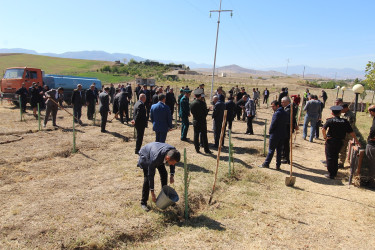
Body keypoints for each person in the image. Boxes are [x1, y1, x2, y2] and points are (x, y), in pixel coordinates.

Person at [137, 142, 180, 211]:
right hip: (146, 155)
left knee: (164, 174)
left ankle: (166, 196)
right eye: (173, 163)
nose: (173, 164)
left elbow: (172, 163)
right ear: (167, 158)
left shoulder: (173, 152)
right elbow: (150, 175)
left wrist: (172, 175)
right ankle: (143, 202)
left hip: (158, 152)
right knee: (147, 179)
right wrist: (152, 192)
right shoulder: (155, 159)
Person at [322, 106, 360, 179]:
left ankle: (331, 174)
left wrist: (325, 137)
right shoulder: (345, 121)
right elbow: (351, 132)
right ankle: (335, 172)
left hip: (331, 141)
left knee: (330, 157)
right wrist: (357, 141)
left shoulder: (330, 120)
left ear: (332, 113)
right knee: (336, 156)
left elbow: (323, 129)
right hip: (340, 141)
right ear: (340, 113)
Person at [259, 101, 288, 170]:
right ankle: (278, 165)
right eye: (271, 106)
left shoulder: (277, 114)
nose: (272, 108)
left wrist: (270, 131)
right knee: (279, 151)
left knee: (271, 150)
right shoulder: (285, 113)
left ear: (277, 106)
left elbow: (273, 124)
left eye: (273, 106)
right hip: (282, 135)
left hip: (275, 135)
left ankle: (266, 163)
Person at [190, 88, 211, 154]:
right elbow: (204, 114)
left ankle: (197, 149)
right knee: (204, 136)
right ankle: (206, 149)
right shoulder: (203, 103)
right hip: (202, 121)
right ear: (200, 96)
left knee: (196, 135)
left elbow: (192, 112)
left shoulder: (192, 103)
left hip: (195, 121)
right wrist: (208, 110)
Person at [338, 103, 356, 168]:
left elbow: (349, 127)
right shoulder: (346, 114)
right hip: (344, 134)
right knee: (341, 148)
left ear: (345, 108)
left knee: (343, 148)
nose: (341, 110)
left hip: (346, 135)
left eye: (342, 109)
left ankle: (341, 163)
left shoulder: (350, 115)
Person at [281, 96, 297, 164]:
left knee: (285, 144)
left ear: (287, 102)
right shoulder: (290, 107)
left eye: (283, 102)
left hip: (286, 129)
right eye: (281, 102)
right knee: (285, 144)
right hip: (288, 128)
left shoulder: (288, 109)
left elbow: (288, 119)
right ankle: (284, 156)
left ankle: (286, 158)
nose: (282, 103)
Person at [366, 105, 375, 186]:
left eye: (370, 112)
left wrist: (371, 138)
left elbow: (373, 131)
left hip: (373, 145)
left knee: (372, 164)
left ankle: (371, 182)